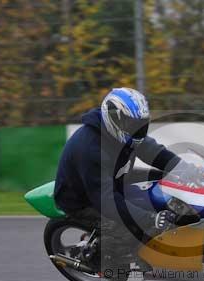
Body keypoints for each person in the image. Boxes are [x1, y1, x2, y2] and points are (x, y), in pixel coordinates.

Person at [54, 87, 181, 265]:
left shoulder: (126, 133)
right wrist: (149, 219)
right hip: (83, 199)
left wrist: (181, 166)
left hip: (113, 180)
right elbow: (106, 200)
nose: (138, 130)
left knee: (161, 189)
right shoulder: (90, 149)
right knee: (132, 227)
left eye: (141, 125)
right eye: (133, 125)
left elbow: (151, 150)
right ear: (114, 119)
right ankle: (104, 256)